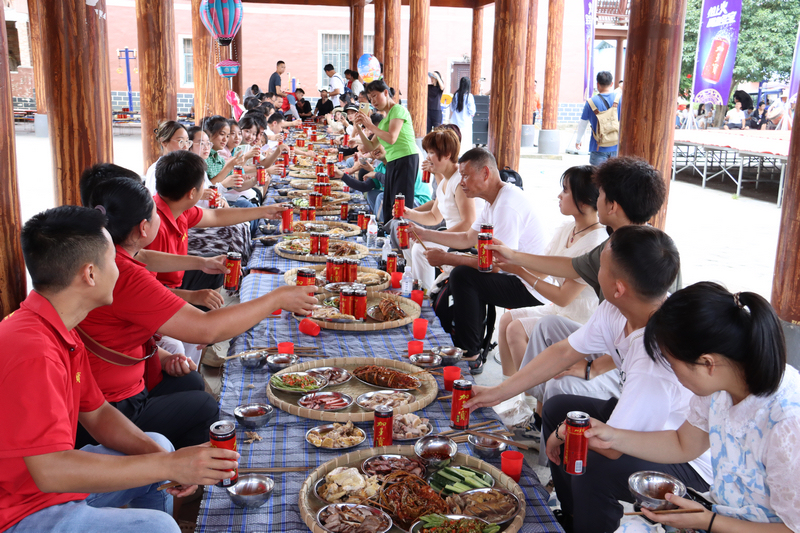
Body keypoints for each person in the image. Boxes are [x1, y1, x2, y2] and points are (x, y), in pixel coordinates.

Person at [0, 205, 240, 533]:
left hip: (47, 491)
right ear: (90, 274)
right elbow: (49, 471)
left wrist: (166, 462)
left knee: (158, 444)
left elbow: (97, 413)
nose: (122, 267)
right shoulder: (33, 350)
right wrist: (169, 464)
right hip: (18, 512)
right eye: (114, 260)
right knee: (157, 526)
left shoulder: (60, 327)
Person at [466, 226, 713, 533]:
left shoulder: (654, 354)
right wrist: (498, 392)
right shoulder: (617, 308)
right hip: (645, 422)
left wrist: (563, 434)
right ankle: (572, 516)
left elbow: (613, 447)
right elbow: (564, 352)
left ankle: (592, 524)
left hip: (682, 458)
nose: (595, 272)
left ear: (618, 287)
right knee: (561, 407)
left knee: (589, 460)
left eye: (602, 267)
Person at [77, 175, 317, 449]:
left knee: (191, 380)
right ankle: (180, 475)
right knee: (203, 405)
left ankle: (173, 458)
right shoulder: (125, 276)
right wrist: (277, 298)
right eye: (155, 212)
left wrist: (164, 355)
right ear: (144, 228)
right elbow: (207, 328)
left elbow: (142, 258)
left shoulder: (105, 255)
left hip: (128, 377)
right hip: (110, 406)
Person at [586, 282, 800, 533]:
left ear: (707, 363)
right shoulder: (720, 388)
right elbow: (682, 443)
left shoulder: (787, 422)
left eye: (673, 365)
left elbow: (792, 528)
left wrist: (707, 521)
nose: (675, 377)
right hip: (720, 514)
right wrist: (613, 436)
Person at [487, 157, 668, 434]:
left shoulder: (639, 253)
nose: (598, 198)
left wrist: (596, 366)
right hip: (613, 343)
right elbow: (570, 266)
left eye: (602, 192)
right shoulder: (615, 243)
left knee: (560, 384)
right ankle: (535, 413)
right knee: (546, 328)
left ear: (612, 205)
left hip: (634, 365)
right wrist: (512, 255)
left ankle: (550, 436)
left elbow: (652, 338)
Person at [411, 148, 547, 373]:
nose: (462, 182)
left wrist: (447, 258)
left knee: (464, 276)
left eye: (465, 175)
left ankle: (470, 353)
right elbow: (467, 238)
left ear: (486, 173)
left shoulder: (507, 204)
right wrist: (425, 234)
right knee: (462, 272)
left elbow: (495, 266)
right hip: (510, 274)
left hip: (529, 285)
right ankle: (465, 346)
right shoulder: (494, 200)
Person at [496, 166, 607, 379]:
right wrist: (507, 255)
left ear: (583, 201)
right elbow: (542, 270)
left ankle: (531, 395)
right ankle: (509, 392)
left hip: (579, 319)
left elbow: (563, 298)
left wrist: (518, 268)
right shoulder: (568, 228)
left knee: (515, 329)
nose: (559, 195)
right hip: (559, 311)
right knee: (506, 319)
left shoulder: (595, 242)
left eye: (565, 190)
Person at [401, 128, 477, 290]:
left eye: (431, 152)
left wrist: (437, 236)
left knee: (421, 247)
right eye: (427, 152)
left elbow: (469, 222)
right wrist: (408, 213)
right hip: (453, 238)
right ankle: (419, 289)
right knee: (409, 240)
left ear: (448, 154)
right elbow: (434, 217)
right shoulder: (444, 182)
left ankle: (425, 294)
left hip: (466, 243)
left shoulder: (459, 181)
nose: (427, 157)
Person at [352, 80, 421, 223]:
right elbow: (370, 147)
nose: (373, 101)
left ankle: (402, 238)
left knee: (401, 203)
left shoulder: (398, 110)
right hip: (392, 162)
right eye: (370, 99)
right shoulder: (383, 121)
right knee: (389, 203)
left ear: (385, 92)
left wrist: (370, 126)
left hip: (406, 159)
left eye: (375, 96)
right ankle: (392, 237)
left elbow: (392, 138)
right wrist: (359, 127)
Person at [575, 71, 621, 166]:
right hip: (616, 145)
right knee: (616, 177)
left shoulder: (591, 102)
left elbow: (583, 123)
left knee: (597, 177)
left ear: (597, 84)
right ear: (612, 84)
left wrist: (578, 140)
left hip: (598, 146)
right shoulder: (620, 99)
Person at [144, 121, 191, 194]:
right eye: (180, 141)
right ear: (164, 142)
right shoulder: (156, 171)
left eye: (187, 141)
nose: (186, 146)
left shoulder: (185, 167)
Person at [449, 77, 476, 155]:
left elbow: (452, 109)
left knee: (456, 138)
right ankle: (464, 155)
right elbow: (472, 111)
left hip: (455, 121)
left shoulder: (456, 95)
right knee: (465, 141)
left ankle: (455, 153)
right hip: (466, 122)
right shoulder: (469, 96)